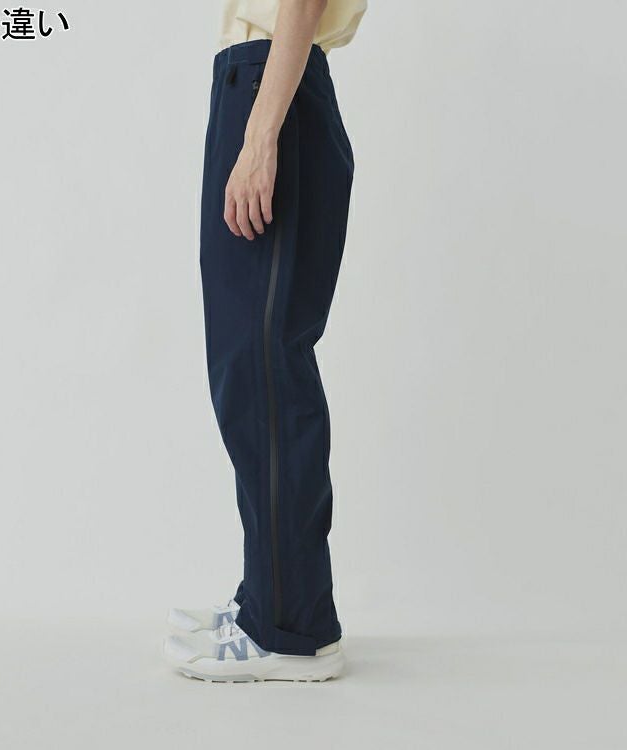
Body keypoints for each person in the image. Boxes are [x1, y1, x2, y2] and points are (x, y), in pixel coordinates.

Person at [163, 0, 367, 682]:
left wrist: (259, 137)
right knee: (250, 361)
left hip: (271, 85)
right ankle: (270, 597)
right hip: (262, 83)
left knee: (262, 365)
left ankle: (291, 629)